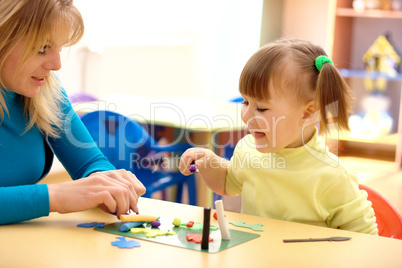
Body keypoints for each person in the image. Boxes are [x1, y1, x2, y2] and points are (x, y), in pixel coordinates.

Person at [180, 38, 378, 234]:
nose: (246, 115)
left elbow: (367, 239)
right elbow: (228, 183)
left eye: (262, 108)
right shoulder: (247, 149)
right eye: (245, 102)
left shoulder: (332, 177)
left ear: (308, 112)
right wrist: (209, 162)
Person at [0, 0, 146, 225]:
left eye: (60, 47)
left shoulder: (46, 89)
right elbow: (59, 196)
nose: (57, 64)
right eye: (42, 49)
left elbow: (90, 162)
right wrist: (56, 197)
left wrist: (104, 180)